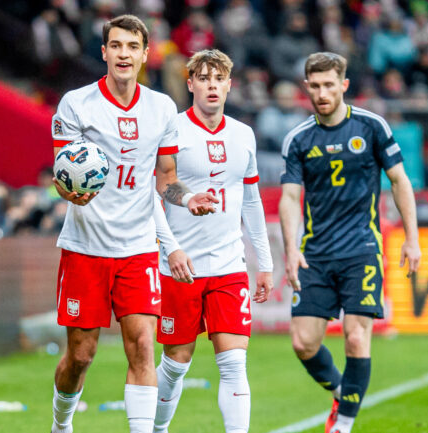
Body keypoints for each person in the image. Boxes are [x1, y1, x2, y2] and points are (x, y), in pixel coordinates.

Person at [48, 15, 218, 433]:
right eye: (116, 45)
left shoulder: (161, 108)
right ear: (104, 52)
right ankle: (61, 423)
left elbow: (166, 180)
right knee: (81, 355)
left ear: (145, 55)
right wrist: (69, 193)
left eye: (133, 47)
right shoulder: (76, 104)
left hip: (138, 248)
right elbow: (64, 176)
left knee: (143, 345)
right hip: (86, 246)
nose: (124, 54)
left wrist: (188, 197)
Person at [278, 52, 421, 433]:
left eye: (330, 85)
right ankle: (345, 391)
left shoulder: (372, 126)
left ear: (344, 85)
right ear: (306, 87)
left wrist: (412, 238)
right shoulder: (298, 139)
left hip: (361, 250)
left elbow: (400, 181)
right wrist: (291, 249)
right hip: (316, 255)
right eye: (316, 85)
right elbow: (291, 197)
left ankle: (342, 424)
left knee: (357, 338)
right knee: (303, 343)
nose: (322, 92)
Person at [152, 49, 274, 433]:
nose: (212, 86)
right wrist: (169, 247)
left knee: (234, 362)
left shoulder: (244, 134)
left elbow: (251, 200)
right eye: (203, 78)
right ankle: (155, 429)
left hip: (228, 265)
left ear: (229, 85)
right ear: (190, 84)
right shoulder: (172, 129)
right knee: (176, 363)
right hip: (181, 266)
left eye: (218, 78)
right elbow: (160, 189)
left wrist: (265, 263)